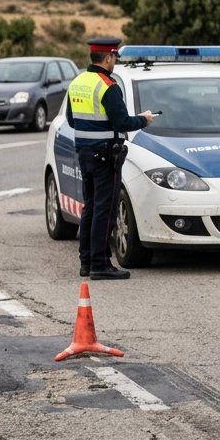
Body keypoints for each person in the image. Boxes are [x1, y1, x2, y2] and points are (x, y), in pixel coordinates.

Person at [66, 38, 156, 280]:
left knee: (91, 206)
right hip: (105, 155)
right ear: (107, 58)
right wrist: (143, 119)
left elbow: (72, 120)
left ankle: (86, 262)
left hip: (84, 153)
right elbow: (123, 122)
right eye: (114, 58)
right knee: (104, 210)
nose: (114, 61)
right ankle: (100, 264)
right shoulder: (108, 86)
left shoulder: (77, 82)